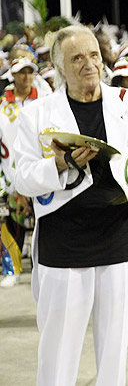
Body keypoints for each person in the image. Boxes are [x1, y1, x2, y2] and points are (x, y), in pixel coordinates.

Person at [13, 25, 128, 385]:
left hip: (122, 238)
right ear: (60, 67)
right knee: (58, 353)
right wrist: (60, 164)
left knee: (114, 356)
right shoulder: (36, 115)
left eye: (94, 55)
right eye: (77, 57)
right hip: (65, 244)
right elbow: (22, 177)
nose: (89, 64)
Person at [0, 57, 46, 288]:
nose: (26, 76)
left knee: (44, 220)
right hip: (11, 175)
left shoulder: (44, 100)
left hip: (41, 173)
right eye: (21, 72)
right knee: (12, 223)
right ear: (12, 75)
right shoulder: (2, 106)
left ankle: (43, 268)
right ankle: (12, 269)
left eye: (30, 72)